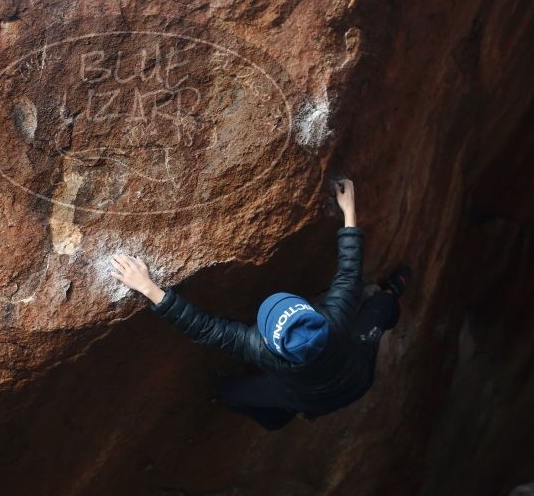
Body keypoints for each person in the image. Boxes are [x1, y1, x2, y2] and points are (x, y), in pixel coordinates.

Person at [109, 179, 411, 431]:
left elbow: (204, 328)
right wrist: (349, 210)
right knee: (380, 309)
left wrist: (148, 287)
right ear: (315, 313)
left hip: (307, 398)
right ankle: (392, 293)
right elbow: (349, 273)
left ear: (271, 345)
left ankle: (279, 417)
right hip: (358, 376)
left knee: (231, 395)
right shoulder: (337, 319)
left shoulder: (261, 351)